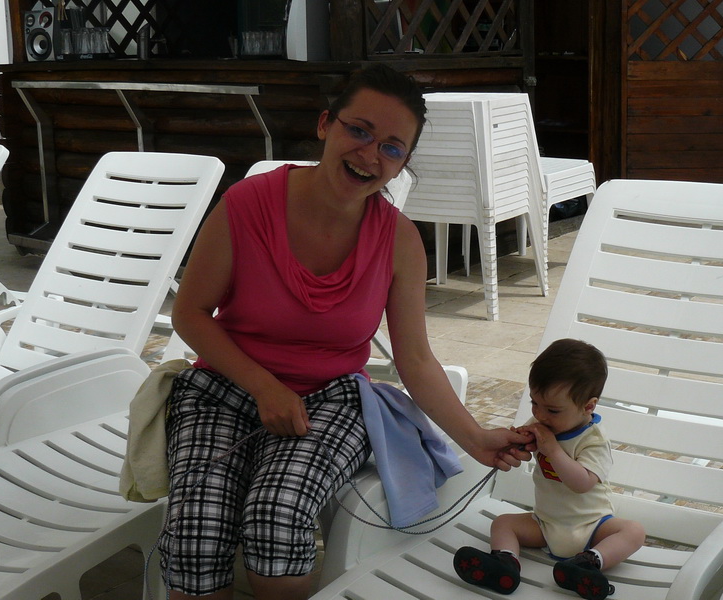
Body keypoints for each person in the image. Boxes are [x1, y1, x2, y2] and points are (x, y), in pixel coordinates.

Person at [161, 63, 533, 600]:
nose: (369, 155)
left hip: (331, 400)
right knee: (195, 528)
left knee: (277, 513)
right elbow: (191, 313)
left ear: (402, 162)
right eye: (359, 130)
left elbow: (415, 360)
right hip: (225, 387)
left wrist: (475, 439)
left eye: (392, 147)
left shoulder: (399, 241)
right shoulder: (247, 204)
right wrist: (265, 387)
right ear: (325, 125)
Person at [453, 338, 646, 600]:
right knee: (503, 523)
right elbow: (530, 445)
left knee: (634, 532)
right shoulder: (543, 422)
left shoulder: (594, 440)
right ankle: (505, 564)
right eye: (534, 403)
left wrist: (553, 450)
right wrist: (519, 442)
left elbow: (583, 483)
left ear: (588, 406)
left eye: (553, 410)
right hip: (545, 523)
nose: (540, 415)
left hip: (592, 526)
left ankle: (588, 563)